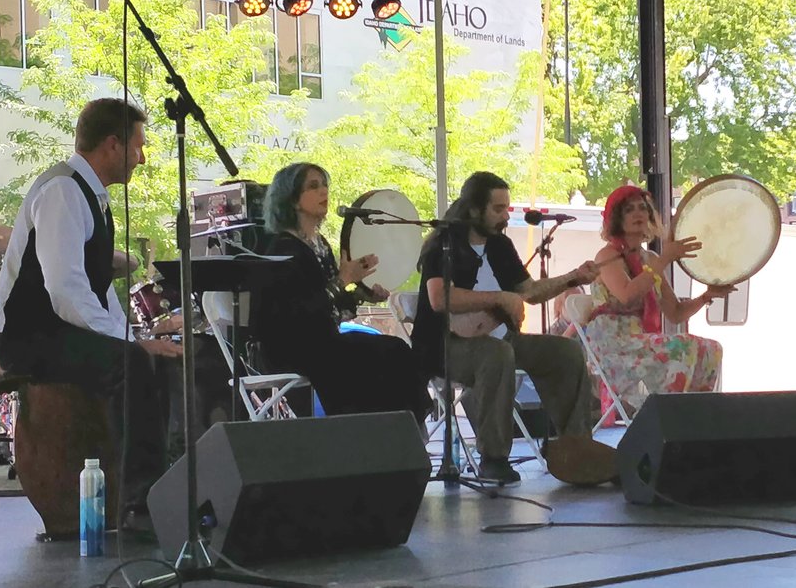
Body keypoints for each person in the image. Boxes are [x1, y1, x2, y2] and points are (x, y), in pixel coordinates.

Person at [0, 98, 183, 533]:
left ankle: (163, 486)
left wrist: (135, 339)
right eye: (138, 146)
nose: (142, 158)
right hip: (25, 337)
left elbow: (97, 289)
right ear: (113, 144)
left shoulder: (90, 196)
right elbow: (66, 291)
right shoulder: (62, 191)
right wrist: (128, 346)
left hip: (56, 330)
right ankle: (140, 505)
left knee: (153, 359)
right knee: (130, 363)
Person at [410, 171, 616, 487]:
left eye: (506, 208)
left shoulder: (500, 245)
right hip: (444, 346)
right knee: (496, 353)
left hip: (500, 340)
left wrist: (573, 277)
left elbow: (529, 291)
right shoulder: (444, 244)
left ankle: (576, 448)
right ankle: (493, 458)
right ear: (474, 209)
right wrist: (500, 297)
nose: (506, 216)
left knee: (564, 351)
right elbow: (439, 298)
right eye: (498, 209)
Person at [249, 163, 431, 424]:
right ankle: (387, 427)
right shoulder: (283, 249)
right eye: (313, 186)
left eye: (325, 185)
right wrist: (344, 279)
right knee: (387, 352)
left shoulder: (320, 244)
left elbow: (329, 307)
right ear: (293, 199)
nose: (324, 191)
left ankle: (399, 426)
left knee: (395, 350)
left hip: (323, 342)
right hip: (293, 347)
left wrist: (361, 295)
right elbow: (300, 313)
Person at [586, 185, 732, 410]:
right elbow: (626, 295)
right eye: (629, 210)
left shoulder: (650, 258)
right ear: (616, 219)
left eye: (642, 208)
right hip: (614, 345)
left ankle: (697, 415)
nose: (638, 213)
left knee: (712, 349)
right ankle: (670, 415)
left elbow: (675, 313)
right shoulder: (607, 256)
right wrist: (664, 259)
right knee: (683, 346)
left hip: (641, 342)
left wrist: (705, 297)